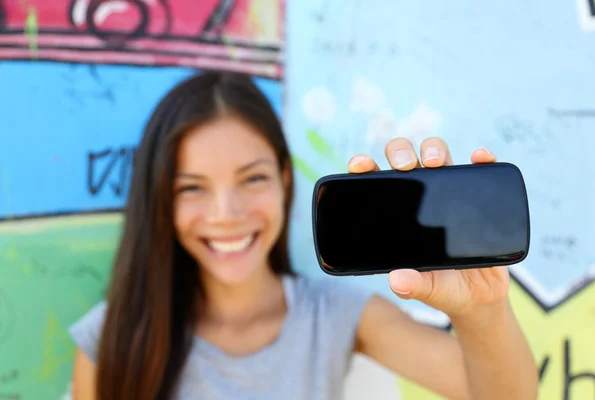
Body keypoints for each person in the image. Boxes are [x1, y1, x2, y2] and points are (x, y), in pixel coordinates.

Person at [69, 71, 538, 400]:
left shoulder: (334, 316)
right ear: (160, 201)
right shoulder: (113, 336)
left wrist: (483, 311)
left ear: (284, 181)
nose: (226, 214)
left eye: (252, 178)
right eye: (192, 188)